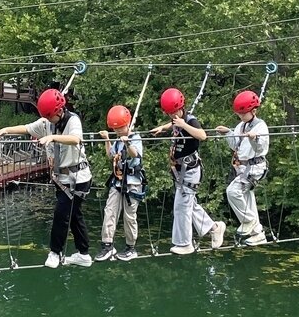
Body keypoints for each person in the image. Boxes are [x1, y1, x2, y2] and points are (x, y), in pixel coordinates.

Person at [0, 88, 93, 268]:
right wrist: (6, 130)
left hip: (78, 178)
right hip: (61, 179)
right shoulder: (46, 122)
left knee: (61, 214)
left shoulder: (73, 120)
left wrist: (52, 138)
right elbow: (27, 128)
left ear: (60, 111)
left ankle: (55, 252)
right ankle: (83, 253)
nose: (48, 120)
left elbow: (76, 139)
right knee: (73, 216)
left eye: (50, 117)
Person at [150, 88, 226, 255]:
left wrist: (183, 125)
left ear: (181, 107)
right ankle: (214, 228)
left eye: (174, 112)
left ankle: (185, 244)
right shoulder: (177, 120)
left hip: (190, 170)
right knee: (189, 205)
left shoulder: (190, 120)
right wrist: (163, 128)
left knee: (181, 207)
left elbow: (202, 135)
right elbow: (173, 124)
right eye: (169, 113)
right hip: (180, 171)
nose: (172, 115)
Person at [215, 90, 270, 246]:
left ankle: (249, 221)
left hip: (255, 167)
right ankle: (258, 234)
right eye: (238, 113)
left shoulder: (261, 127)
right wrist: (228, 133)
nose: (240, 116)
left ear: (253, 111)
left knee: (233, 191)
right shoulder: (241, 126)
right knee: (248, 200)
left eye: (243, 113)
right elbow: (236, 145)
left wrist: (254, 138)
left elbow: (260, 148)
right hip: (242, 168)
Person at [96, 104, 143, 261]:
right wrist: (107, 139)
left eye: (120, 128)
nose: (118, 131)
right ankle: (107, 245)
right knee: (110, 211)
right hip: (117, 181)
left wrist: (128, 142)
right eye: (115, 129)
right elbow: (111, 155)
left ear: (127, 124)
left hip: (132, 183)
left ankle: (131, 247)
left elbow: (135, 155)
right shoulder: (117, 140)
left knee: (129, 216)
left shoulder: (135, 138)